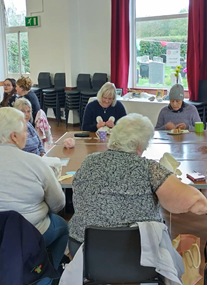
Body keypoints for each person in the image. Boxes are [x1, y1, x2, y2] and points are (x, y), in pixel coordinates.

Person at [68, 113, 207, 256]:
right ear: (140, 145)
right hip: (137, 256)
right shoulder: (149, 169)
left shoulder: (88, 162)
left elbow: (76, 190)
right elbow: (196, 202)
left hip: (84, 251)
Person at [0, 107, 68, 283]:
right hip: (30, 231)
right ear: (14, 136)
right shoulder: (34, 162)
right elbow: (59, 203)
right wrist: (44, 206)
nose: (28, 135)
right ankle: (45, 272)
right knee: (62, 226)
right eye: (25, 131)